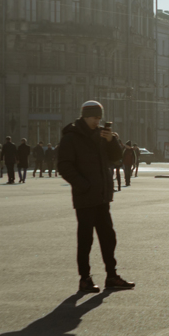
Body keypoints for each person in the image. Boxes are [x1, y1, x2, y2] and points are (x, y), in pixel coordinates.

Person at [57, 100, 134, 293]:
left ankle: (112, 276)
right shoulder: (71, 137)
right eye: (94, 118)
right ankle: (85, 278)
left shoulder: (102, 135)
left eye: (99, 118)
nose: (97, 121)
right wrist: (84, 185)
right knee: (86, 239)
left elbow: (116, 158)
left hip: (101, 195)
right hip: (85, 196)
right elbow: (64, 166)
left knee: (108, 236)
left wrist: (111, 141)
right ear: (85, 116)